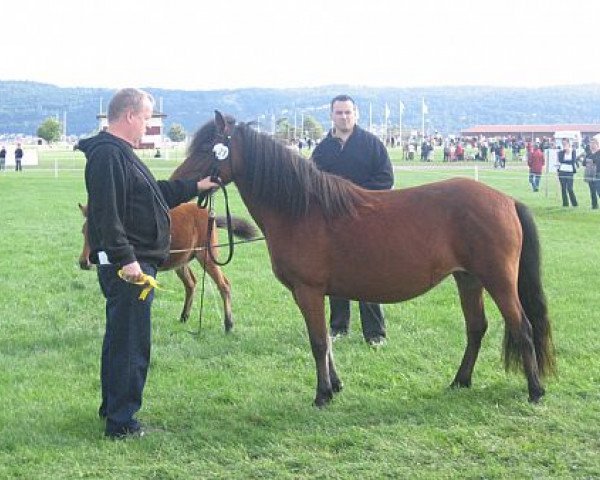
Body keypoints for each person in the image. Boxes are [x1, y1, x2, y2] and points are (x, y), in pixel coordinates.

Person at [79, 88, 219, 439]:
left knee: (121, 338)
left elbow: (153, 193)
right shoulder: (109, 156)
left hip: (134, 263)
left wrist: (196, 185)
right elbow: (107, 215)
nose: (148, 125)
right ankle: (122, 423)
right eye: (146, 118)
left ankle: (113, 408)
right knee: (131, 342)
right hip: (131, 269)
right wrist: (128, 261)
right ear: (129, 116)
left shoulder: (119, 154)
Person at [311, 94, 394, 347]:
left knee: (368, 275)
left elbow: (385, 179)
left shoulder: (371, 144)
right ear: (331, 115)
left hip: (366, 221)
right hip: (333, 224)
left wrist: (356, 198)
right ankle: (338, 327)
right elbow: (311, 183)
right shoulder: (323, 149)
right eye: (339, 113)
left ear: (356, 114)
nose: (344, 117)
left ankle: (375, 332)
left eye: (348, 112)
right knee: (335, 275)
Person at [556, 137, 579, 207]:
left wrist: (565, 161)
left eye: (565, 143)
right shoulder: (561, 152)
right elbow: (560, 160)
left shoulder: (573, 151)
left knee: (570, 188)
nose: (564, 145)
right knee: (563, 188)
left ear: (569, 143)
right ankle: (565, 204)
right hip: (562, 171)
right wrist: (566, 160)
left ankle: (574, 203)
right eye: (563, 144)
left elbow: (573, 161)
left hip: (570, 172)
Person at [583, 134, 600, 209]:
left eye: (593, 143)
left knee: (598, 190)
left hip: (598, 174)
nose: (591, 145)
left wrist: (591, 160)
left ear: (597, 144)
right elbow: (584, 163)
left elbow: (597, 161)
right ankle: (594, 205)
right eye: (591, 143)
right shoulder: (589, 153)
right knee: (592, 191)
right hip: (590, 174)